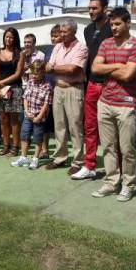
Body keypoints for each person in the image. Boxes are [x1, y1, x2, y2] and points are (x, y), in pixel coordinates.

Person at [91, 7, 136, 202]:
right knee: (108, 147)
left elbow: (128, 74)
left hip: (126, 105)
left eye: (117, 24)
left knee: (127, 149)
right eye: (111, 24)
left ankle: (128, 184)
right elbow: (95, 68)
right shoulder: (106, 44)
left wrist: (108, 69)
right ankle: (111, 182)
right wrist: (116, 66)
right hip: (105, 102)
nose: (113, 27)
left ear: (128, 23)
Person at [72, 0, 113, 180]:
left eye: (95, 8)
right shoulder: (88, 30)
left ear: (104, 9)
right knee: (90, 126)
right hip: (92, 84)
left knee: (110, 129)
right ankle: (89, 165)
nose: (91, 11)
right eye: (89, 8)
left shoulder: (113, 28)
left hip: (109, 85)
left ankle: (115, 168)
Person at [45, 18, 88, 175]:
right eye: (60, 32)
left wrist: (55, 68)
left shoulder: (81, 48)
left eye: (65, 32)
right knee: (59, 125)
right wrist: (56, 68)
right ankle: (60, 157)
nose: (62, 35)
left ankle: (78, 161)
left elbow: (72, 69)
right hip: (58, 88)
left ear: (74, 32)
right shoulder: (57, 47)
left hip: (73, 89)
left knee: (75, 126)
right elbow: (48, 68)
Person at [11, 60, 52, 170]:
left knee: (38, 138)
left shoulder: (47, 86)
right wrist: (27, 111)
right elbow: (25, 98)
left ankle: (35, 159)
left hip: (39, 117)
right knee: (24, 135)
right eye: (32, 73)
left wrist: (39, 117)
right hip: (28, 115)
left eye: (36, 73)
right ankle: (23, 157)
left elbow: (46, 104)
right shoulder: (30, 82)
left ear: (43, 72)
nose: (33, 75)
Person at [0, 27, 25, 156]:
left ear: (15, 39)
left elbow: (18, 74)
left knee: (14, 120)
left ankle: (15, 147)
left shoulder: (20, 54)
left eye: (11, 37)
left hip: (14, 88)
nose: (8, 39)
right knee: (3, 119)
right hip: (0, 89)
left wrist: (0, 83)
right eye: (7, 36)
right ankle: (6, 145)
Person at [41, 24, 62, 159]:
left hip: (60, 90)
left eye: (56, 36)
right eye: (52, 36)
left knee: (60, 124)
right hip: (47, 91)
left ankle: (60, 151)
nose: (54, 39)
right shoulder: (48, 52)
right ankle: (44, 150)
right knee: (45, 123)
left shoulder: (66, 50)